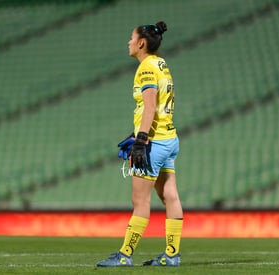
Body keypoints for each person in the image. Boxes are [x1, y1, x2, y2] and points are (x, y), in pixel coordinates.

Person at [96, 21, 183, 267]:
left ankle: (125, 255)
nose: (129, 42)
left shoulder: (146, 67)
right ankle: (172, 255)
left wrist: (142, 139)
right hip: (169, 139)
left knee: (140, 202)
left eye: (131, 38)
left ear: (141, 43)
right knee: (170, 197)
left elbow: (150, 105)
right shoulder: (161, 64)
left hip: (154, 142)